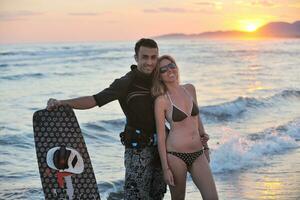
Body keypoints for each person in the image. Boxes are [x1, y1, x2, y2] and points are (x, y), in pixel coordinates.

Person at [46, 38, 167, 200]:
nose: (150, 62)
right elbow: (95, 100)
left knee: (157, 195)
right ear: (136, 58)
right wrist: (63, 103)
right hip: (138, 149)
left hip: (163, 148)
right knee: (136, 196)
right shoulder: (125, 83)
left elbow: (178, 105)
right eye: (145, 57)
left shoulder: (161, 79)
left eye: (154, 57)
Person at [152, 55, 218, 200]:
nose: (170, 70)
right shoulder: (161, 100)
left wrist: (205, 145)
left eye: (172, 65)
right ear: (159, 76)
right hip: (175, 156)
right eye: (163, 69)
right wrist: (165, 169)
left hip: (198, 153)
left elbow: (197, 118)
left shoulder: (190, 89)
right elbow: (161, 136)